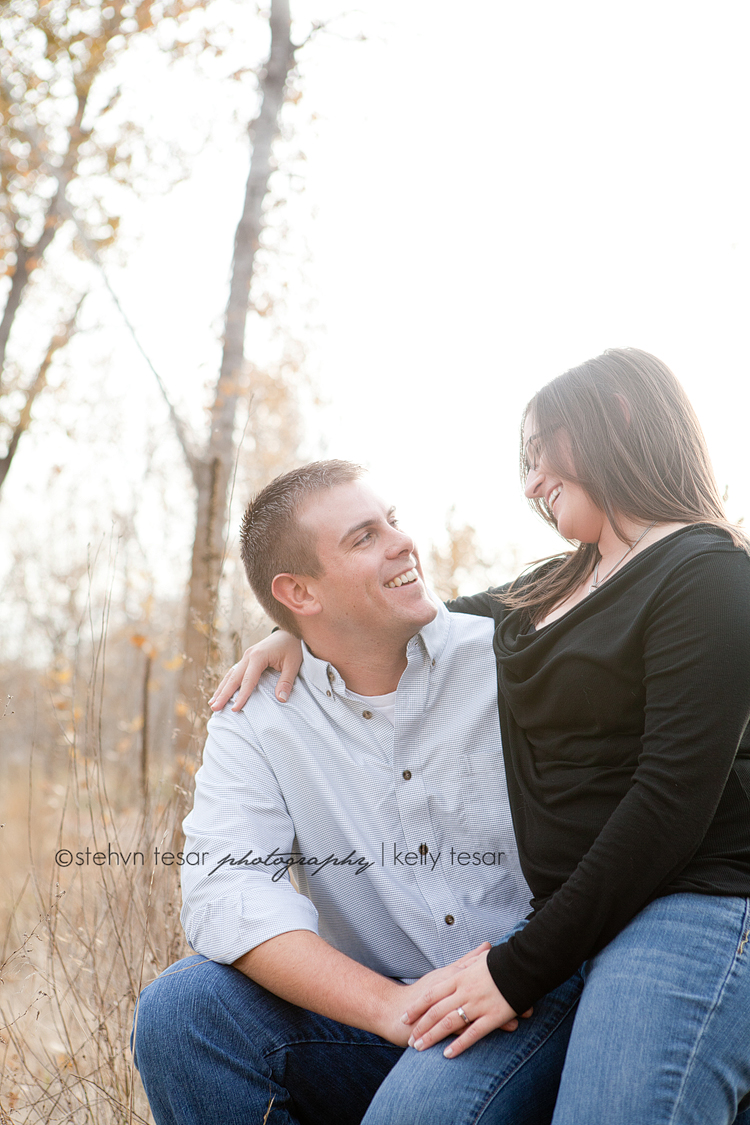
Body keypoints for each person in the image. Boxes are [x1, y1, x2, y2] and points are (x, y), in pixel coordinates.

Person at [225, 350, 750, 1125]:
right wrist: (291, 635)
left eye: (543, 453)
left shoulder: (707, 573)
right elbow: (390, 617)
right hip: (578, 922)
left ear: (622, 419)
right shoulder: (554, 583)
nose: (532, 481)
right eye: (527, 461)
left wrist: (515, 970)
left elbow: (670, 799)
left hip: (689, 903)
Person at [131, 460, 583, 1125]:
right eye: (364, 536)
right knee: (181, 1009)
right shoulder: (260, 713)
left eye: (393, 521)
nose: (402, 542)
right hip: (383, 1018)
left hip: (535, 993)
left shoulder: (508, 655)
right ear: (301, 594)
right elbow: (225, 888)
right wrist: (386, 1007)